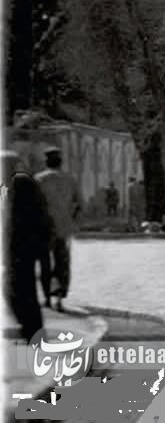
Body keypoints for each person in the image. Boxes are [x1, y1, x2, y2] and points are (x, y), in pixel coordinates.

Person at [3, 151, 49, 342]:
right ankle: (31, 329)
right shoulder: (20, 182)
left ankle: (32, 330)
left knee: (17, 287)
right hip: (27, 243)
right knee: (21, 286)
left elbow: (17, 217)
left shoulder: (19, 182)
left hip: (22, 244)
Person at [34, 146, 81, 312]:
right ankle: (60, 299)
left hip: (44, 229)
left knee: (45, 263)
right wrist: (70, 220)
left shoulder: (39, 179)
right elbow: (78, 204)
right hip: (64, 228)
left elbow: (33, 205)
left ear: (46, 161)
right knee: (62, 264)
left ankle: (47, 298)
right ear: (60, 161)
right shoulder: (70, 179)